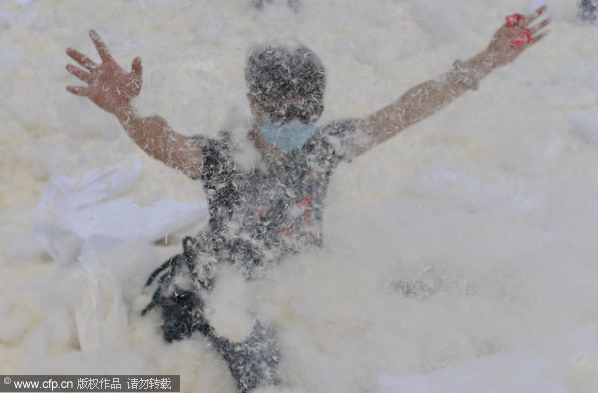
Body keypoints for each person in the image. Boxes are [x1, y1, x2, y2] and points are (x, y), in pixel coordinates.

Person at [65, 7, 550, 392]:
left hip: (301, 276)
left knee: (414, 298)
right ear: (255, 104)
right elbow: (165, 143)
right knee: (269, 374)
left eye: (308, 109)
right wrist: (126, 111)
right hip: (234, 288)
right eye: (282, 107)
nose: (297, 120)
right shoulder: (226, 158)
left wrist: (486, 60)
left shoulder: (323, 147)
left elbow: (405, 110)